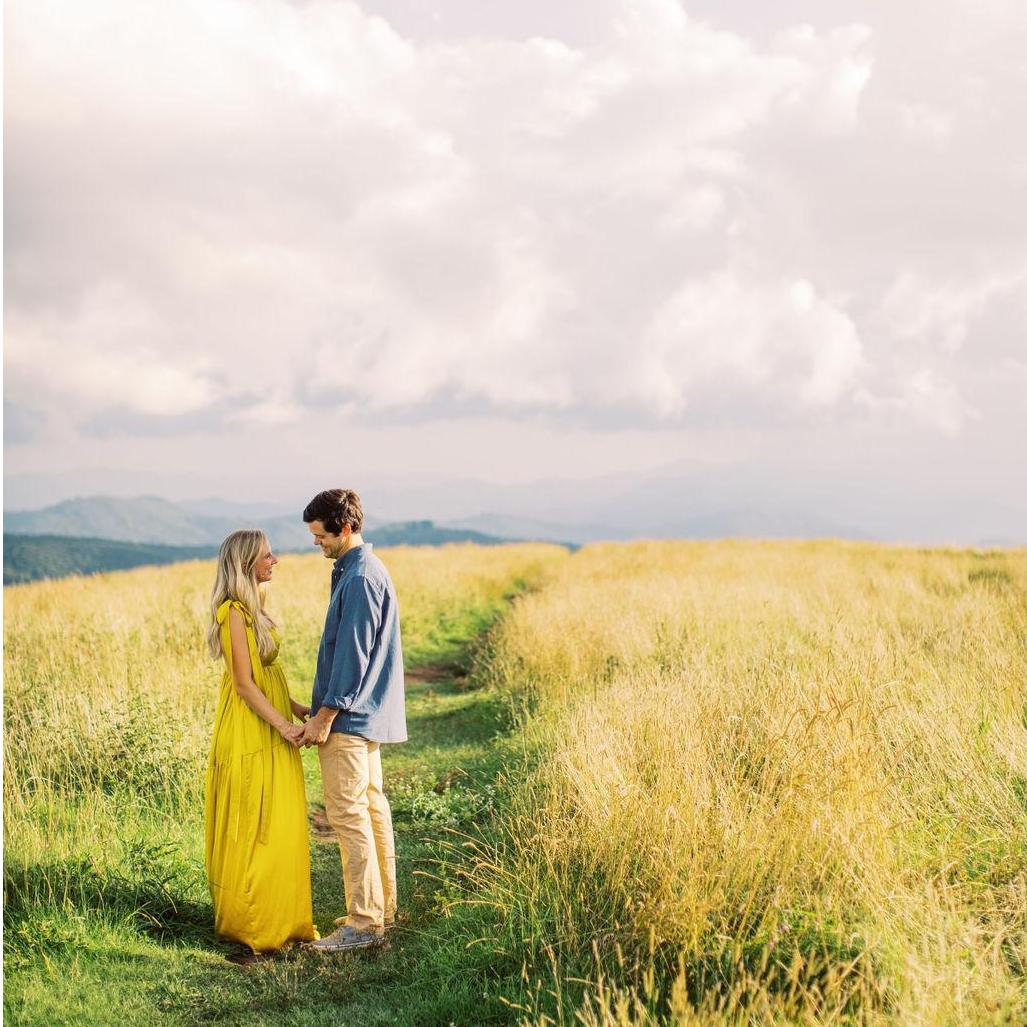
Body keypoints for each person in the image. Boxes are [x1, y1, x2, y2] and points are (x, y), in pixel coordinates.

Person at [299, 489, 407, 953]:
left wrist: (326, 713)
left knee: (348, 816)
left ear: (344, 528)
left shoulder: (360, 577)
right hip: (364, 715)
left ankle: (363, 924)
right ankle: (380, 913)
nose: (315, 543)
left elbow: (354, 657)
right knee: (370, 809)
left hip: (349, 720)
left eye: (320, 535)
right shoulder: (359, 570)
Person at [204, 529, 316, 955]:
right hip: (252, 728)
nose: (276, 561)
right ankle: (255, 923)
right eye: (268, 556)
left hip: (271, 719)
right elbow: (245, 685)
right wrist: (284, 727)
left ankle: (284, 918)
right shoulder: (232, 611)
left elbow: (266, 677)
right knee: (256, 821)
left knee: (279, 820)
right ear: (246, 562)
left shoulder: (255, 607)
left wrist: (295, 707)